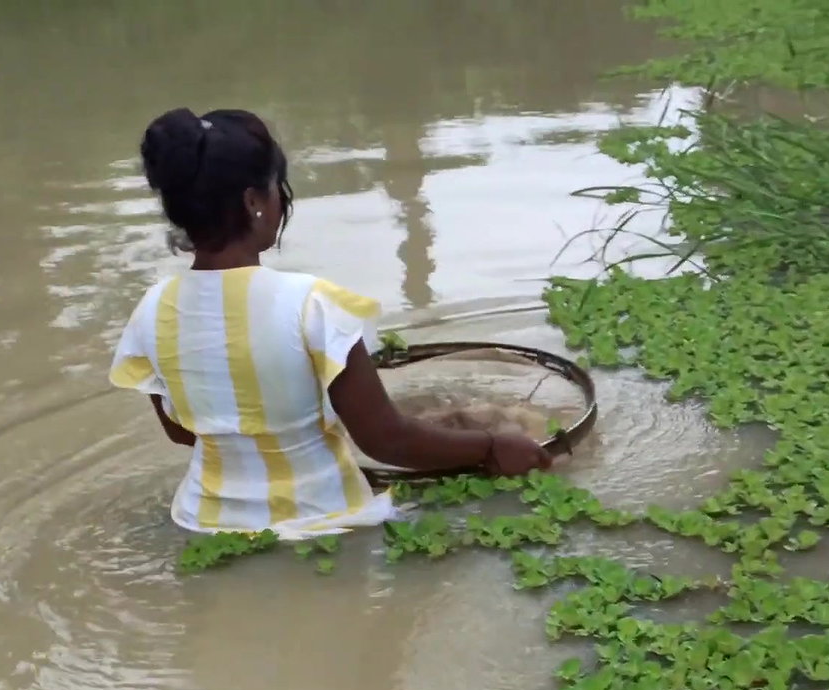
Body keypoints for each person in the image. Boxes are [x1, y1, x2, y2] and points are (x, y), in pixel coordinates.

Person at [109, 107, 551, 539]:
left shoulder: (151, 311)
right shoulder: (311, 304)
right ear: (253, 201)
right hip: (327, 523)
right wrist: (492, 446)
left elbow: (182, 430)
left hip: (202, 524)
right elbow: (386, 440)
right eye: (275, 186)